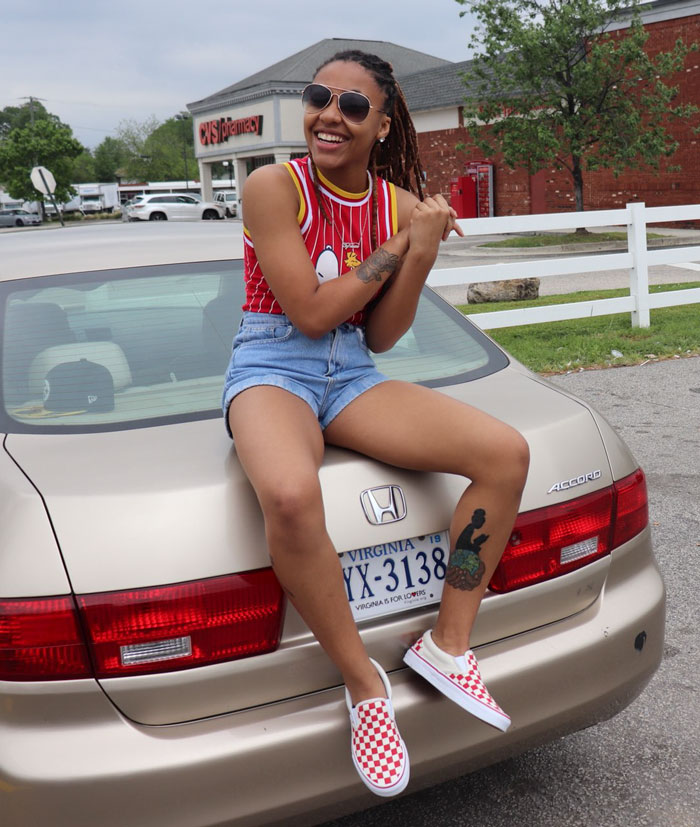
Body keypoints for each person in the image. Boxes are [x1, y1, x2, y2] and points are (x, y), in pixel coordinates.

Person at [222, 50, 530, 798]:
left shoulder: (395, 204)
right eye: (319, 97)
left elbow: (383, 335)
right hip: (272, 365)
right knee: (290, 495)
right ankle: (365, 686)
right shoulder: (273, 186)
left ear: (383, 124)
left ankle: (448, 644)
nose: (330, 114)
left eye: (353, 105)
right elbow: (310, 312)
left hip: (353, 371)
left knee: (505, 453)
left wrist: (421, 251)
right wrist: (402, 242)